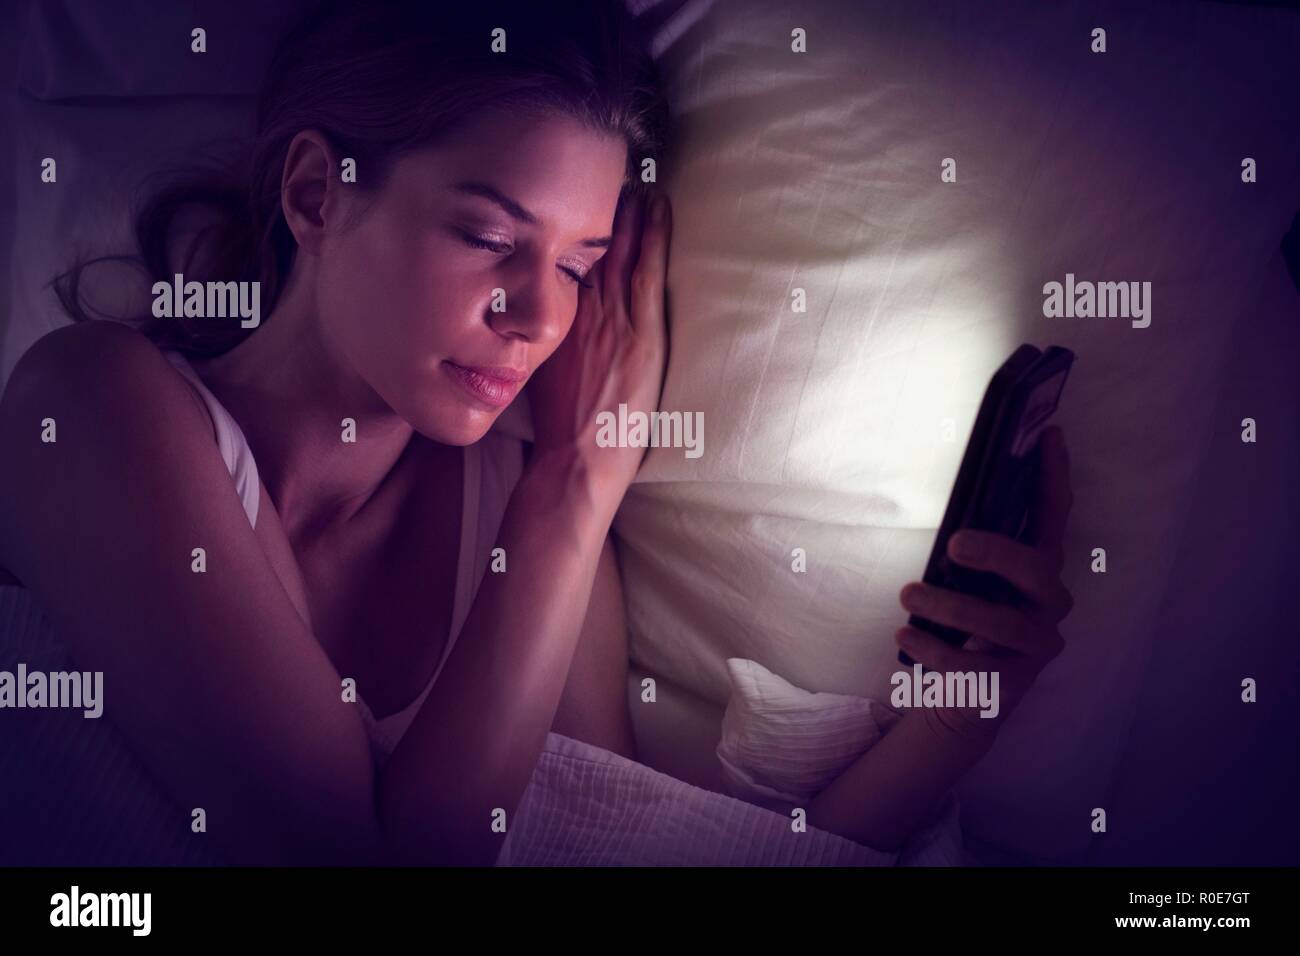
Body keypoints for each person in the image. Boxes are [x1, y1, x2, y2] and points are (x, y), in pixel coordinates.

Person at [0, 0, 1073, 866]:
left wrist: (950, 725)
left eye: (575, 264)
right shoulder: (87, 401)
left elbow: (610, 838)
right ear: (319, 194)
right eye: (488, 237)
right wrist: (571, 490)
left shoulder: (513, 513)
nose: (541, 317)